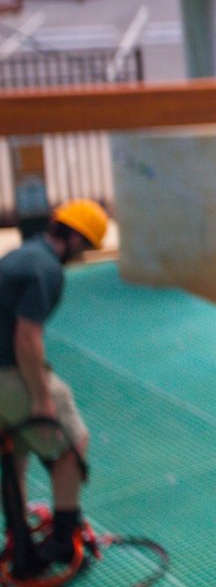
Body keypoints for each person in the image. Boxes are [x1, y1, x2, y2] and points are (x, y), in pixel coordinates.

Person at [0, 199, 106, 571]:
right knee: (70, 445)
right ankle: (63, 541)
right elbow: (27, 338)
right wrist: (43, 399)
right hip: (7, 372)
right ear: (76, 239)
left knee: (13, 451)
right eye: (87, 247)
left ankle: (20, 541)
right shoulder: (47, 269)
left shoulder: (19, 256)